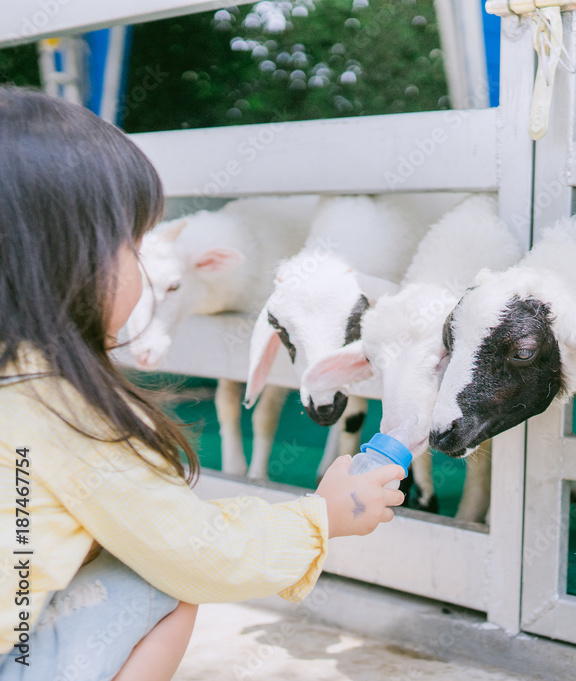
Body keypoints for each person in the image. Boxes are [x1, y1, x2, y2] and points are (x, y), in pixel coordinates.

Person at [0, 86, 405, 681]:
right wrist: (322, 515)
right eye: (131, 244)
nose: (140, 263)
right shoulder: (59, 408)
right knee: (156, 576)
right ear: (69, 259)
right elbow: (192, 551)